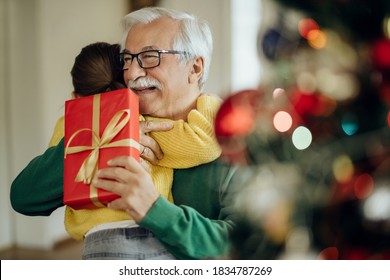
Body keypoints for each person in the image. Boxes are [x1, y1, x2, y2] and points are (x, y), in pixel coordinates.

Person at [10, 6, 239, 260]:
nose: (132, 73)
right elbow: (24, 198)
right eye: (127, 59)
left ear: (195, 68)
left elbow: (244, 245)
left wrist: (156, 210)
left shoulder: (235, 141)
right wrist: (108, 142)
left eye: (150, 56)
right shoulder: (114, 124)